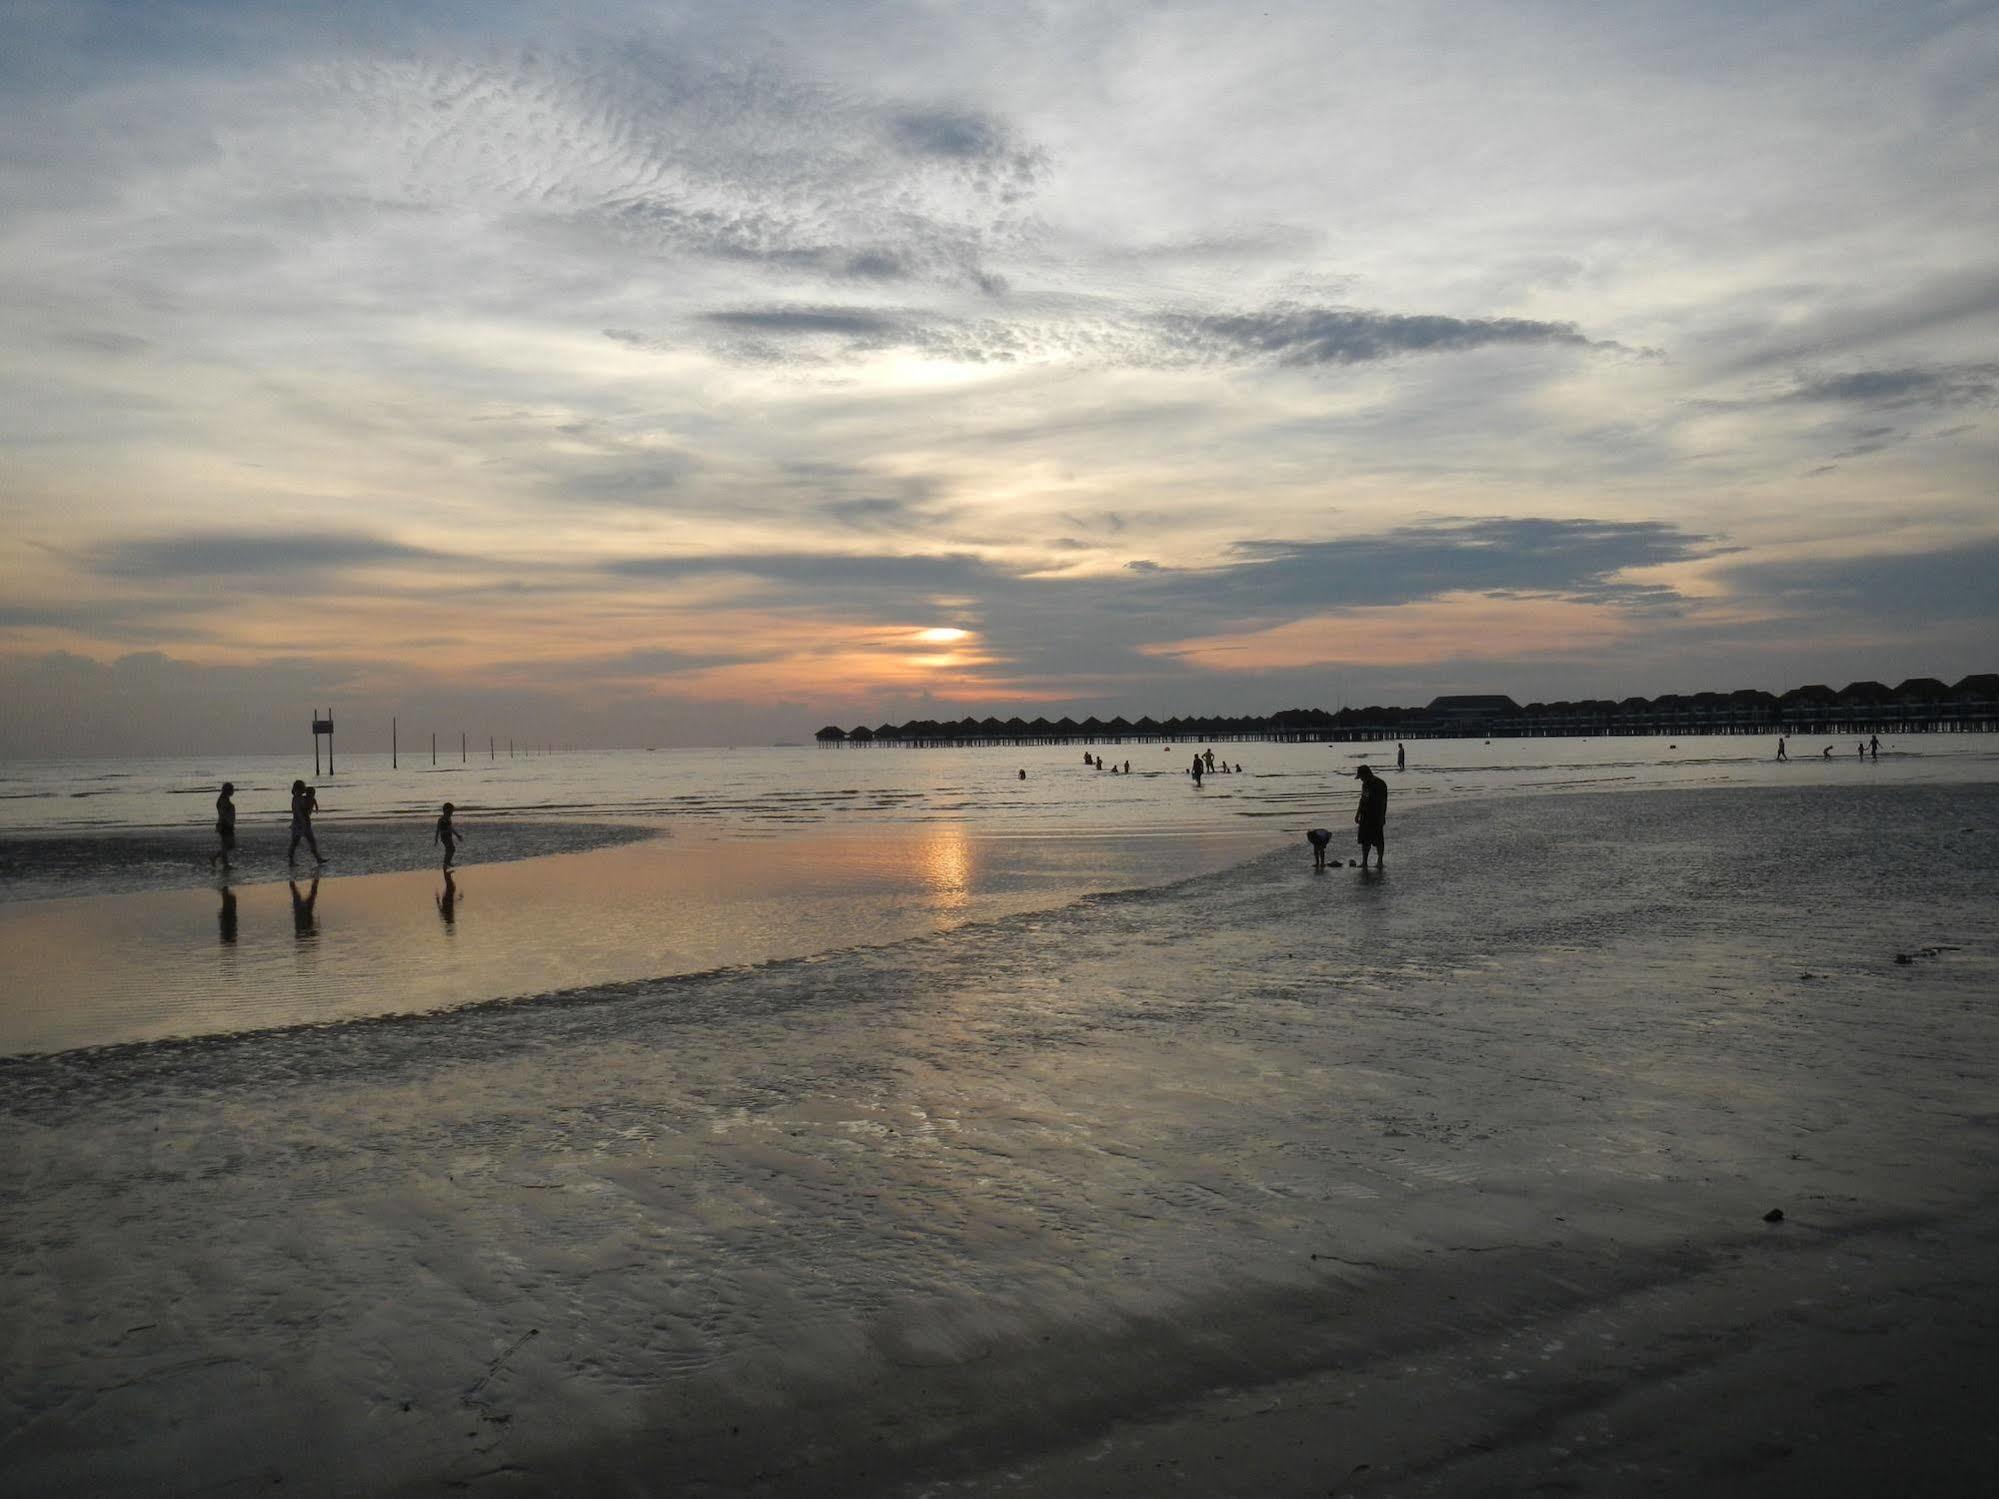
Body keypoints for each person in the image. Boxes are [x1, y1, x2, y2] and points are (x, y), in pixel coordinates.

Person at [1354, 764, 1387, 870]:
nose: (1361, 780)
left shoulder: (1380, 784)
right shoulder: (1365, 784)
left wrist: (1382, 816)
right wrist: (1358, 813)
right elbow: (1362, 798)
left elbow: (1383, 802)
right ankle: (1364, 862)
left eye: (1361, 777)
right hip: (1365, 815)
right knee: (1364, 840)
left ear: (1366, 774)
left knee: (1378, 840)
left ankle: (1380, 861)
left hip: (1376, 815)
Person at [287, 780, 325, 865]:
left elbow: (308, 808)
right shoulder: (296, 799)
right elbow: (298, 812)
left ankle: (318, 858)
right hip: (299, 824)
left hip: (306, 823)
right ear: (298, 789)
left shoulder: (303, 798)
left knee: (312, 841)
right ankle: (291, 860)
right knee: (295, 842)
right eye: (302, 788)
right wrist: (303, 821)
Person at [208, 782, 236, 871]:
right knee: (227, 845)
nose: (233, 791)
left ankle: (217, 859)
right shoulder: (223, 800)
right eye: (232, 789)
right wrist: (225, 824)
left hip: (227, 825)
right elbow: (222, 814)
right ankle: (224, 864)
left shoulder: (224, 799)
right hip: (225, 825)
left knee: (229, 845)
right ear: (228, 790)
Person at [434, 801, 463, 869]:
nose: (451, 813)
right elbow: (438, 829)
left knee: (451, 849)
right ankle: (446, 863)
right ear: (445, 811)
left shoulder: (449, 819)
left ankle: (447, 862)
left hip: (449, 837)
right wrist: (436, 839)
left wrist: (457, 835)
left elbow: (451, 828)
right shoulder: (441, 819)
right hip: (444, 837)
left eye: (452, 812)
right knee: (450, 849)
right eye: (450, 812)